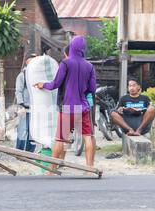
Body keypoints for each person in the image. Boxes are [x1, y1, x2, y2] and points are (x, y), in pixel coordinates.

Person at [34, 36, 97, 173]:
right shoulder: (89, 66)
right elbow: (92, 89)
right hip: (84, 107)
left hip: (68, 107)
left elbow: (55, 84)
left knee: (60, 139)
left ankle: (51, 169)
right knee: (87, 137)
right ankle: (89, 168)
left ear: (72, 47)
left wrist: (42, 84)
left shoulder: (66, 63)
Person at [15, 53, 37, 152]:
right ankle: (19, 152)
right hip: (24, 107)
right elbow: (18, 91)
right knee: (22, 130)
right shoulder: (22, 75)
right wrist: (21, 105)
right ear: (28, 61)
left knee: (33, 131)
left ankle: (30, 153)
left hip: (36, 108)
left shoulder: (38, 75)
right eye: (33, 60)